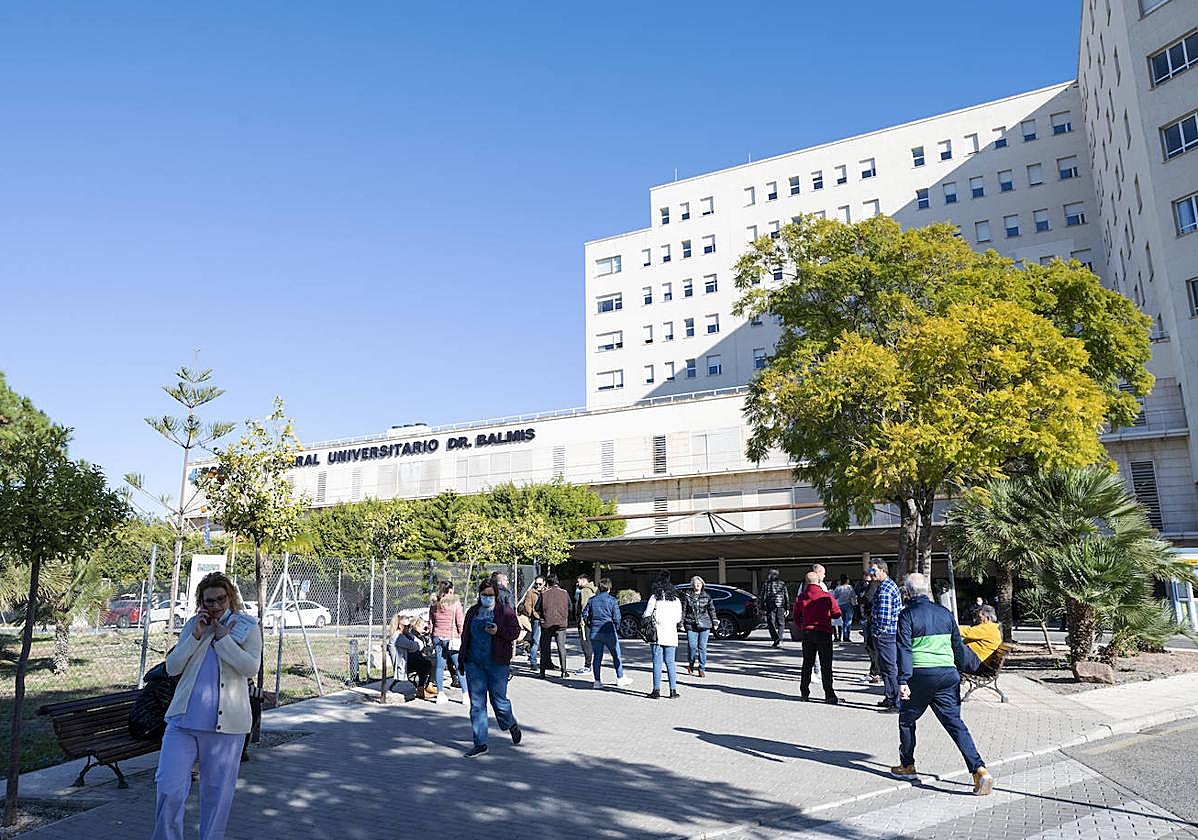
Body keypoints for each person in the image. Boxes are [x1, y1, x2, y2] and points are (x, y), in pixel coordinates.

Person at [152, 571, 262, 840]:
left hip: (226, 727)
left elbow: (250, 667)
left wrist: (223, 639)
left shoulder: (247, 626)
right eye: (208, 601)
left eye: (220, 599)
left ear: (230, 598)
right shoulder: (193, 625)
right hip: (183, 723)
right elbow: (172, 667)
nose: (215, 606)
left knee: (217, 794)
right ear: (200, 601)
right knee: (169, 787)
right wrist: (197, 636)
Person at [893, 573, 994, 796]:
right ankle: (979, 770)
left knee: (907, 720)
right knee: (955, 724)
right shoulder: (945, 613)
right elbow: (957, 647)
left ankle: (908, 765)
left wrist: (902, 680)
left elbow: (904, 650)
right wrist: (960, 669)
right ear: (926, 590)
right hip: (947, 676)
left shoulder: (906, 615)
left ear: (908, 593)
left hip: (920, 676)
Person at [458, 580, 522, 757]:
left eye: (490, 595)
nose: (487, 597)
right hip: (474, 663)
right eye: (484, 594)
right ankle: (480, 743)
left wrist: (498, 631)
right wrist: (463, 660)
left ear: (496, 595)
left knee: (499, 701)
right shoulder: (473, 611)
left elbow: (515, 632)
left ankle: (510, 723)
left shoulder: (504, 611)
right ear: (479, 595)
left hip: (497, 663)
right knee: (477, 704)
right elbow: (465, 636)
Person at [793, 571, 841, 704]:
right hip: (823, 631)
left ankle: (804, 692)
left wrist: (802, 626)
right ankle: (829, 694)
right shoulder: (826, 596)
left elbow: (796, 617)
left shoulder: (801, 598)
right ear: (819, 581)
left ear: (806, 582)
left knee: (807, 663)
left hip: (807, 633)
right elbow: (837, 613)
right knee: (826, 664)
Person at [582, 578, 633, 689]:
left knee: (597, 657)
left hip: (595, 631)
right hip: (609, 630)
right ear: (609, 588)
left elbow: (585, 614)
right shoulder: (612, 600)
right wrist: (616, 628)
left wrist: (591, 624)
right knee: (616, 655)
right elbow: (617, 617)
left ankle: (597, 681)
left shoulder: (592, 600)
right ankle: (620, 678)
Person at [645, 571, 683, 699]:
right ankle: (673, 691)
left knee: (657, 663)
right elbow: (678, 618)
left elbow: (647, 614)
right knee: (670, 663)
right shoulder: (676, 600)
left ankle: (656, 691)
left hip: (658, 635)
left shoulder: (654, 598)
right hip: (671, 634)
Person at [870, 561, 902, 711]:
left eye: (874, 570)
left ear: (882, 570)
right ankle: (890, 697)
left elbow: (884, 616)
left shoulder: (885, 590)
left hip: (885, 634)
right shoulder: (886, 586)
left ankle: (896, 701)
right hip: (888, 634)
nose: (871, 573)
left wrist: (878, 632)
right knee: (886, 668)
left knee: (889, 668)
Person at [429, 581, 466, 704]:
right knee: (459, 665)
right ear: (448, 591)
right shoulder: (455, 603)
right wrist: (463, 636)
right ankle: (466, 694)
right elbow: (460, 622)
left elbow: (431, 623)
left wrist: (432, 635)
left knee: (440, 665)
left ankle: (440, 694)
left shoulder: (434, 604)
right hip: (452, 637)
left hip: (437, 637)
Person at [680, 576, 719, 677]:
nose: (697, 585)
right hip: (690, 624)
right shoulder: (687, 595)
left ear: (702, 585)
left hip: (704, 624)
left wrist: (715, 622)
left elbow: (712, 610)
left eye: (699, 584)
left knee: (702, 647)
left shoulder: (707, 596)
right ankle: (691, 664)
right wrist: (681, 623)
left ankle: (701, 668)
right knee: (692, 647)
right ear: (692, 585)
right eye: (695, 584)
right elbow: (683, 610)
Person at [536, 574, 570, 678]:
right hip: (561, 624)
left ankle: (542, 672)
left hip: (547, 623)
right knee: (561, 647)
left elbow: (537, 607)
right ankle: (564, 671)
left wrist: (542, 616)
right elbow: (570, 606)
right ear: (557, 582)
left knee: (545, 648)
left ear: (547, 583)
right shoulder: (565, 593)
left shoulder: (544, 594)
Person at [388, 614, 432, 695]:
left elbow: (420, 644)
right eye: (406, 626)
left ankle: (426, 686)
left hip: (407, 661)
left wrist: (411, 639)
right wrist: (414, 646)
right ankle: (421, 688)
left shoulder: (406, 634)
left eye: (409, 626)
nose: (408, 628)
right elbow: (415, 645)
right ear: (400, 626)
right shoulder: (398, 637)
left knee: (428, 661)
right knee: (426, 664)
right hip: (402, 665)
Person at [759, 569, 790, 648]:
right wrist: (787, 607)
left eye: (769, 574)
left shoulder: (767, 584)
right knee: (780, 623)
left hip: (771, 605)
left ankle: (777, 639)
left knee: (772, 623)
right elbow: (786, 596)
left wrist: (762, 607)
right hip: (779, 605)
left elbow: (763, 596)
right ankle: (779, 639)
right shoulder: (781, 584)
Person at [519, 576, 545, 669]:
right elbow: (527, 605)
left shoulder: (546, 591)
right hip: (536, 619)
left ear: (544, 583)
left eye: (540, 584)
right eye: (536, 584)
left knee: (545, 642)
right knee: (535, 641)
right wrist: (533, 614)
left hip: (546, 619)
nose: (538, 585)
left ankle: (545, 662)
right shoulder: (531, 592)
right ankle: (533, 662)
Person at [574, 574, 597, 675]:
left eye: (578, 581)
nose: (577, 583)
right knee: (590, 642)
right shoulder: (595, 589)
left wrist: (582, 619)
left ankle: (587, 665)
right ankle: (590, 664)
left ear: (584, 581)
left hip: (585, 621)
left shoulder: (584, 591)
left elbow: (584, 605)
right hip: (593, 620)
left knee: (585, 642)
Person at [833, 575, 857, 642]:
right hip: (848, 605)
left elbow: (835, 597)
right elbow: (854, 596)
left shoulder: (838, 588)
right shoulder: (850, 587)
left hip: (840, 605)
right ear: (847, 580)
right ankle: (846, 636)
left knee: (841, 622)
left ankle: (840, 636)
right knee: (848, 621)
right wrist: (855, 604)